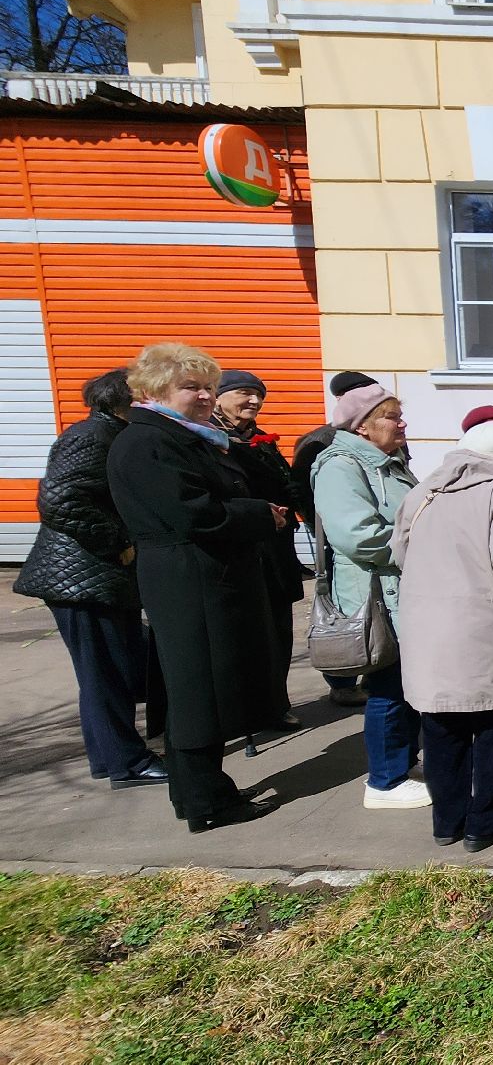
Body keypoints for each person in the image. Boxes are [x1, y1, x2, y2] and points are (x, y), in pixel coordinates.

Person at [105, 344, 281, 833]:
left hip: (200, 574)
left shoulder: (180, 436)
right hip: (190, 578)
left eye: (209, 386)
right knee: (197, 693)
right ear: (154, 391)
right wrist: (257, 514)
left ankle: (202, 792)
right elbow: (190, 512)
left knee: (198, 690)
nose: (206, 396)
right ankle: (206, 801)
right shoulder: (148, 442)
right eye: (192, 387)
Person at [391, 418, 493, 852]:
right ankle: (487, 821)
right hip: (488, 626)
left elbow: (399, 552)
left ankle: (447, 821)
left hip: (427, 627)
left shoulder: (422, 492)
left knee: (441, 725)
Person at [14, 368, 168, 789]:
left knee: (111, 670)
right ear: (126, 401)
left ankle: (112, 758)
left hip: (97, 576)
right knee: (104, 673)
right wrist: (120, 541)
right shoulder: (89, 437)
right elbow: (60, 500)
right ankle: (127, 764)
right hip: (83, 577)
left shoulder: (112, 434)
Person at [312, 382, 429, 810]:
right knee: (387, 687)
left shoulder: (388, 462)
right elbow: (356, 535)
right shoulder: (340, 466)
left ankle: (403, 765)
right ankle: (384, 781)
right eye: (391, 416)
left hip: (402, 590)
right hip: (376, 595)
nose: (401, 423)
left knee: (404, 684)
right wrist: (425, 545)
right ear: (362, 426)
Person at [210, 370, 301, 728]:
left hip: (276, 547)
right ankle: (243, 710)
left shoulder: (261, 439)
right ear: (218, 397)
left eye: (258, 395)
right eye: (244, 393)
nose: (254, 401)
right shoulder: (212, 440)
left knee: (278, 629)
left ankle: (275, 705)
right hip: (242, 547)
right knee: (245, 634)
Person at [292, 370, 380, 710]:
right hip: (338, 536)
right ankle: (342, 678)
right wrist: (321, 529)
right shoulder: (319, 441)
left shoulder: (383, 432)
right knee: (341, 606)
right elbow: (300, 488)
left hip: (375, 532)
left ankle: (376, 664)